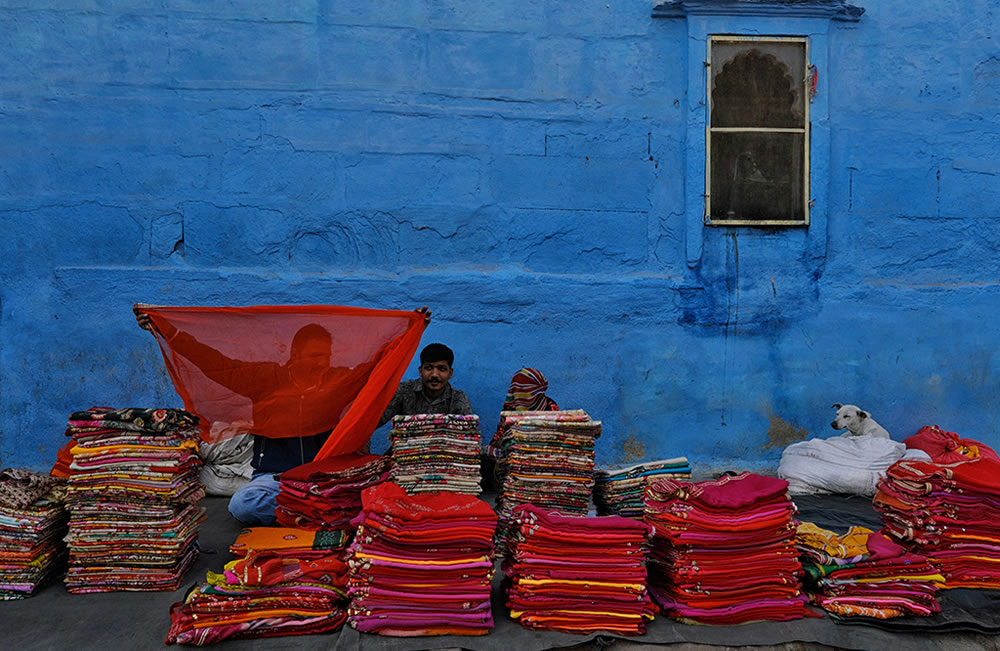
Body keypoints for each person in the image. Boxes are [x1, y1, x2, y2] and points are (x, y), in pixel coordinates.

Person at [135, 304, 431, 525]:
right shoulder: (267, 380)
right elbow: (215, 363)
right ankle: (313, 513)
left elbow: (378, 366)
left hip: (325, 479)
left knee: (380, 498)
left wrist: (411, 331)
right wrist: (167, 330)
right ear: (295, 355)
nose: (322, 363)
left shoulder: (339, 378)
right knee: (242, 505)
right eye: (315, 356)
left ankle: (312, 511)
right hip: (277, 478)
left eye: (326, 356)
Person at [378, 343, 473, 427]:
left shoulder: (458, 398)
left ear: (450, 373)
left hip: (447, 448)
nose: (435, 374)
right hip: (405, 446)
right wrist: (365, 444)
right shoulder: (404, 391)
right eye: (429, 368)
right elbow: (371, 421)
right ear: (420, 371)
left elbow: (470, 435)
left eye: (441, 369)